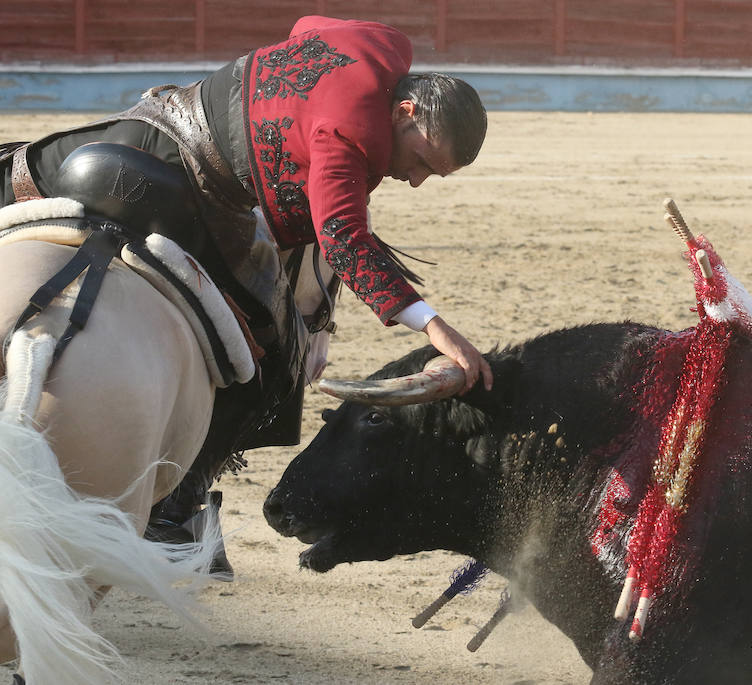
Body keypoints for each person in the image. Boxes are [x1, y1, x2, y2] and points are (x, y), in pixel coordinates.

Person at [0, 15, 493, 571]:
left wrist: (283, 109)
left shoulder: (382, 43)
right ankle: (173, 508)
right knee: (267, 360)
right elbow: (342, 240)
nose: (416, 179)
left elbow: (306, 25)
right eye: (422, 161)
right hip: (199, 193)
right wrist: (435, 327)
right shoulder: (349, 139)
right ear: (404, 111)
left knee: (11, 180)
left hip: (149, 127)